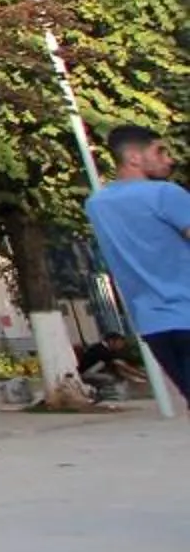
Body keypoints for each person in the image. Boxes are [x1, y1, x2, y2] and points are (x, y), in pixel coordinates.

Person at [85, 125, 190, 399]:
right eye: (160, 151)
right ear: (133, 157)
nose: (169, 159)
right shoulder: (166, 194)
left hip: (154, 325)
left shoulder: (97, 204)